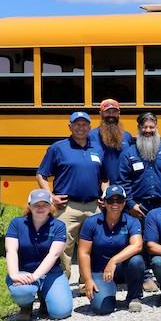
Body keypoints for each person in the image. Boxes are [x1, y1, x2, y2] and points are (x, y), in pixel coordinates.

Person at [36, 111, 103, 280]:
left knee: (93, 246)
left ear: (89, 127)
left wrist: (105, 194)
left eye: (84, 124)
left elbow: (105, 177)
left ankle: (86, 283)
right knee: (62, 248)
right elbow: (41, 174)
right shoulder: (58, 148)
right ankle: (61, 284)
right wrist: (50, 196)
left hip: (93, 206)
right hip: (67, 207)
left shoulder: (97, 148)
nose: (81, 128)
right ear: (70, 126)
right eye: (77, 124)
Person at [4, 189, 73, 321]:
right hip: (24, 271)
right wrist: (14, 275)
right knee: (22, 292)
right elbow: (11, 250)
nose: (40, 208)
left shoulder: (59, 226)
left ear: (51, 206)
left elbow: (54, 255)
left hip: (51, 273)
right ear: (29, 206)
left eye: (45, 204)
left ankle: (44, 297)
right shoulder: (16, 223)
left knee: (61, 312)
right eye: (36, 204)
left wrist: (35, 277)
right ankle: (26, 307)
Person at [78, 185, 146, 315]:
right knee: (102, 308)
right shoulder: (91, 222)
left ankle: (134, 296)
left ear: (124, 202)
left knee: (137, 260)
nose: (115, 204)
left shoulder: (132, 221)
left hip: (122, 268)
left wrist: (113, 261)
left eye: (119, 200)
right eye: (111, 200)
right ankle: (108, 292)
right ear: (104, 202)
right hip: (100, 271)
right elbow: (83, 253)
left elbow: (137, 245)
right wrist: (87, 279)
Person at [117, 112, 161, 220]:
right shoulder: (128, 154)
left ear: (156, 127)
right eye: (145, 127)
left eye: (151, 127)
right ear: (139, 128)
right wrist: (131, 205)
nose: (148, 130)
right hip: (137, 208)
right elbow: (122, 181)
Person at [88, 98, 133, 186]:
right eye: (107, 112)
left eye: (114, 112)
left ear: (119, 114)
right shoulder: (90, 136)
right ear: (101, 114)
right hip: (99, 188)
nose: (111, 115)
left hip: (124, 186)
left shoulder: (127, 136)